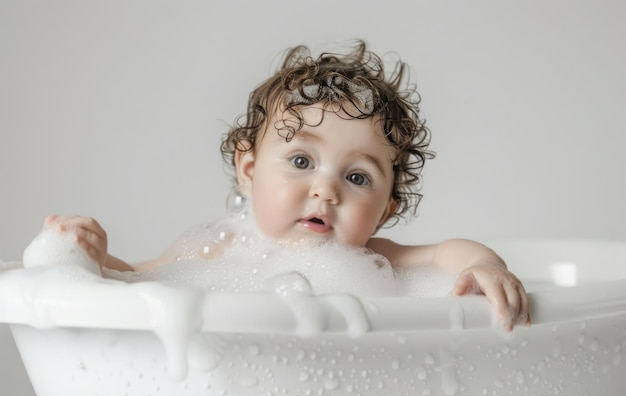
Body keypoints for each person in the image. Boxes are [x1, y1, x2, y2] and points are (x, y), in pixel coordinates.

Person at [41, 40, 530, 330]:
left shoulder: (377, 262)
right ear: (249, 171)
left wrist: (485, 266)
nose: (325, 190)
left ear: (384, 211)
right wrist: (89, 257)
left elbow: (448, 253)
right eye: (301, 160)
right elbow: (139, 280)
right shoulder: (214, 251)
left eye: (357, 177)